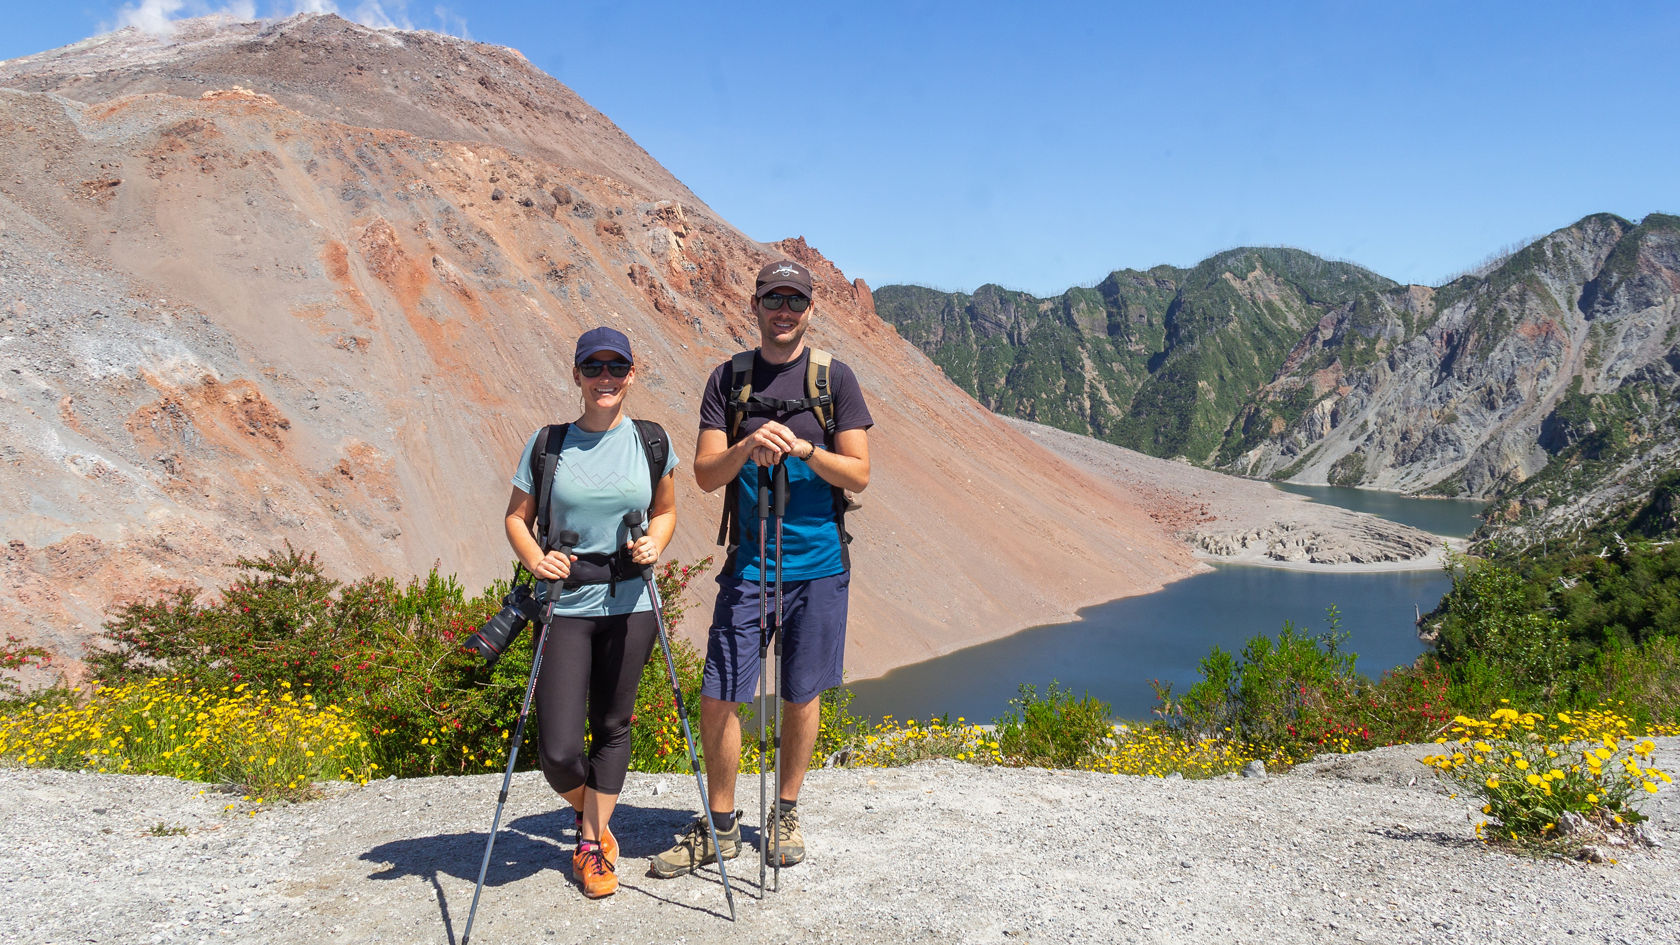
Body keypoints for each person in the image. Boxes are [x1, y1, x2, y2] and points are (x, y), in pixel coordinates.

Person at [650, 258, 872, 879]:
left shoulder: (835, 379)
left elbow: (860, 474)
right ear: (754, 306)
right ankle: (719, 824)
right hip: (749, 566)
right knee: (721, 693)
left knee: (802, 693)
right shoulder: (728, 380)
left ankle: (786, 811)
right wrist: (748, 445)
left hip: (819, 565)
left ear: (808, 310)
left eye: (794, 301)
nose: (783, 310)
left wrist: (805, 449)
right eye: (773, 299)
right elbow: (703, 473)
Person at [503, 326, 677, 900]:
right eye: (593, 368)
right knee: (557, 749)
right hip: (566, 605)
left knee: (612, 724)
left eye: (616, 368)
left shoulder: (651, 442)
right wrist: (536, 559)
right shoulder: (549, 443)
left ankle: (590, 841)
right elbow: (516, 518)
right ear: (576, 374)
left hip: (631, 603)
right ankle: (594, 820)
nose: (605, 378)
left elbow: (666, 511)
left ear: (632, 374)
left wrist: (657, 543)